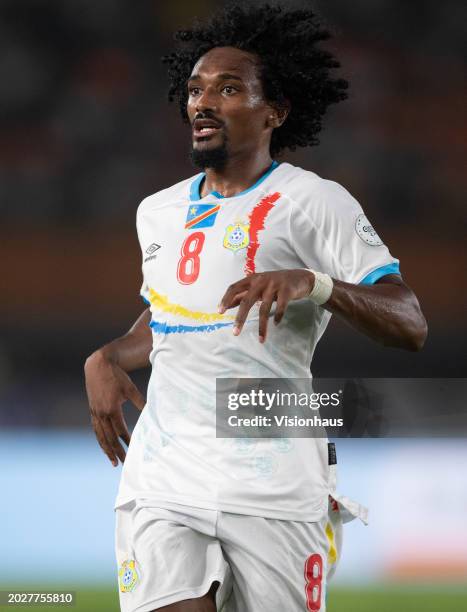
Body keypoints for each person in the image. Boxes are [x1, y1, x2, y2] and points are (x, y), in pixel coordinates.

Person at [84, 4, 427, 611]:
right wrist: (111, 354)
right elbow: (173, 318)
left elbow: (410, 322)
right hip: (166, 473)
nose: (202, 102)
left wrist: (315, 285)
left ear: (275, 112)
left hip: (272, 474)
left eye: (229, 88)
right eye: (195, 89)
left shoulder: (314, 202)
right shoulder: (155, 211)